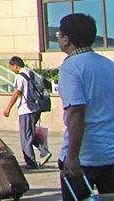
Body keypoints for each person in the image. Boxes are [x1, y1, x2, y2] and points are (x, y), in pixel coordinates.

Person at [55, 13, 114, 200]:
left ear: (66, 39)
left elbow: (76, 112)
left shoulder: (71, 67)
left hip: (84, 159)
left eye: (59, 34)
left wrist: (72, 156)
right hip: (110, 155)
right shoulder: (108, 65)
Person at [3, 56, 51, 169]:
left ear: (16, 66)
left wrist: (8, 108)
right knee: (30, 133)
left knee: (25, 136)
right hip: (36, 107)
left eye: (12, 68)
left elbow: (16, 93)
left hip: (26, 109)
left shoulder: (20, 77)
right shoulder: (32, 73)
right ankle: (44, 152)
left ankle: (31, 162)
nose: (12, 70)